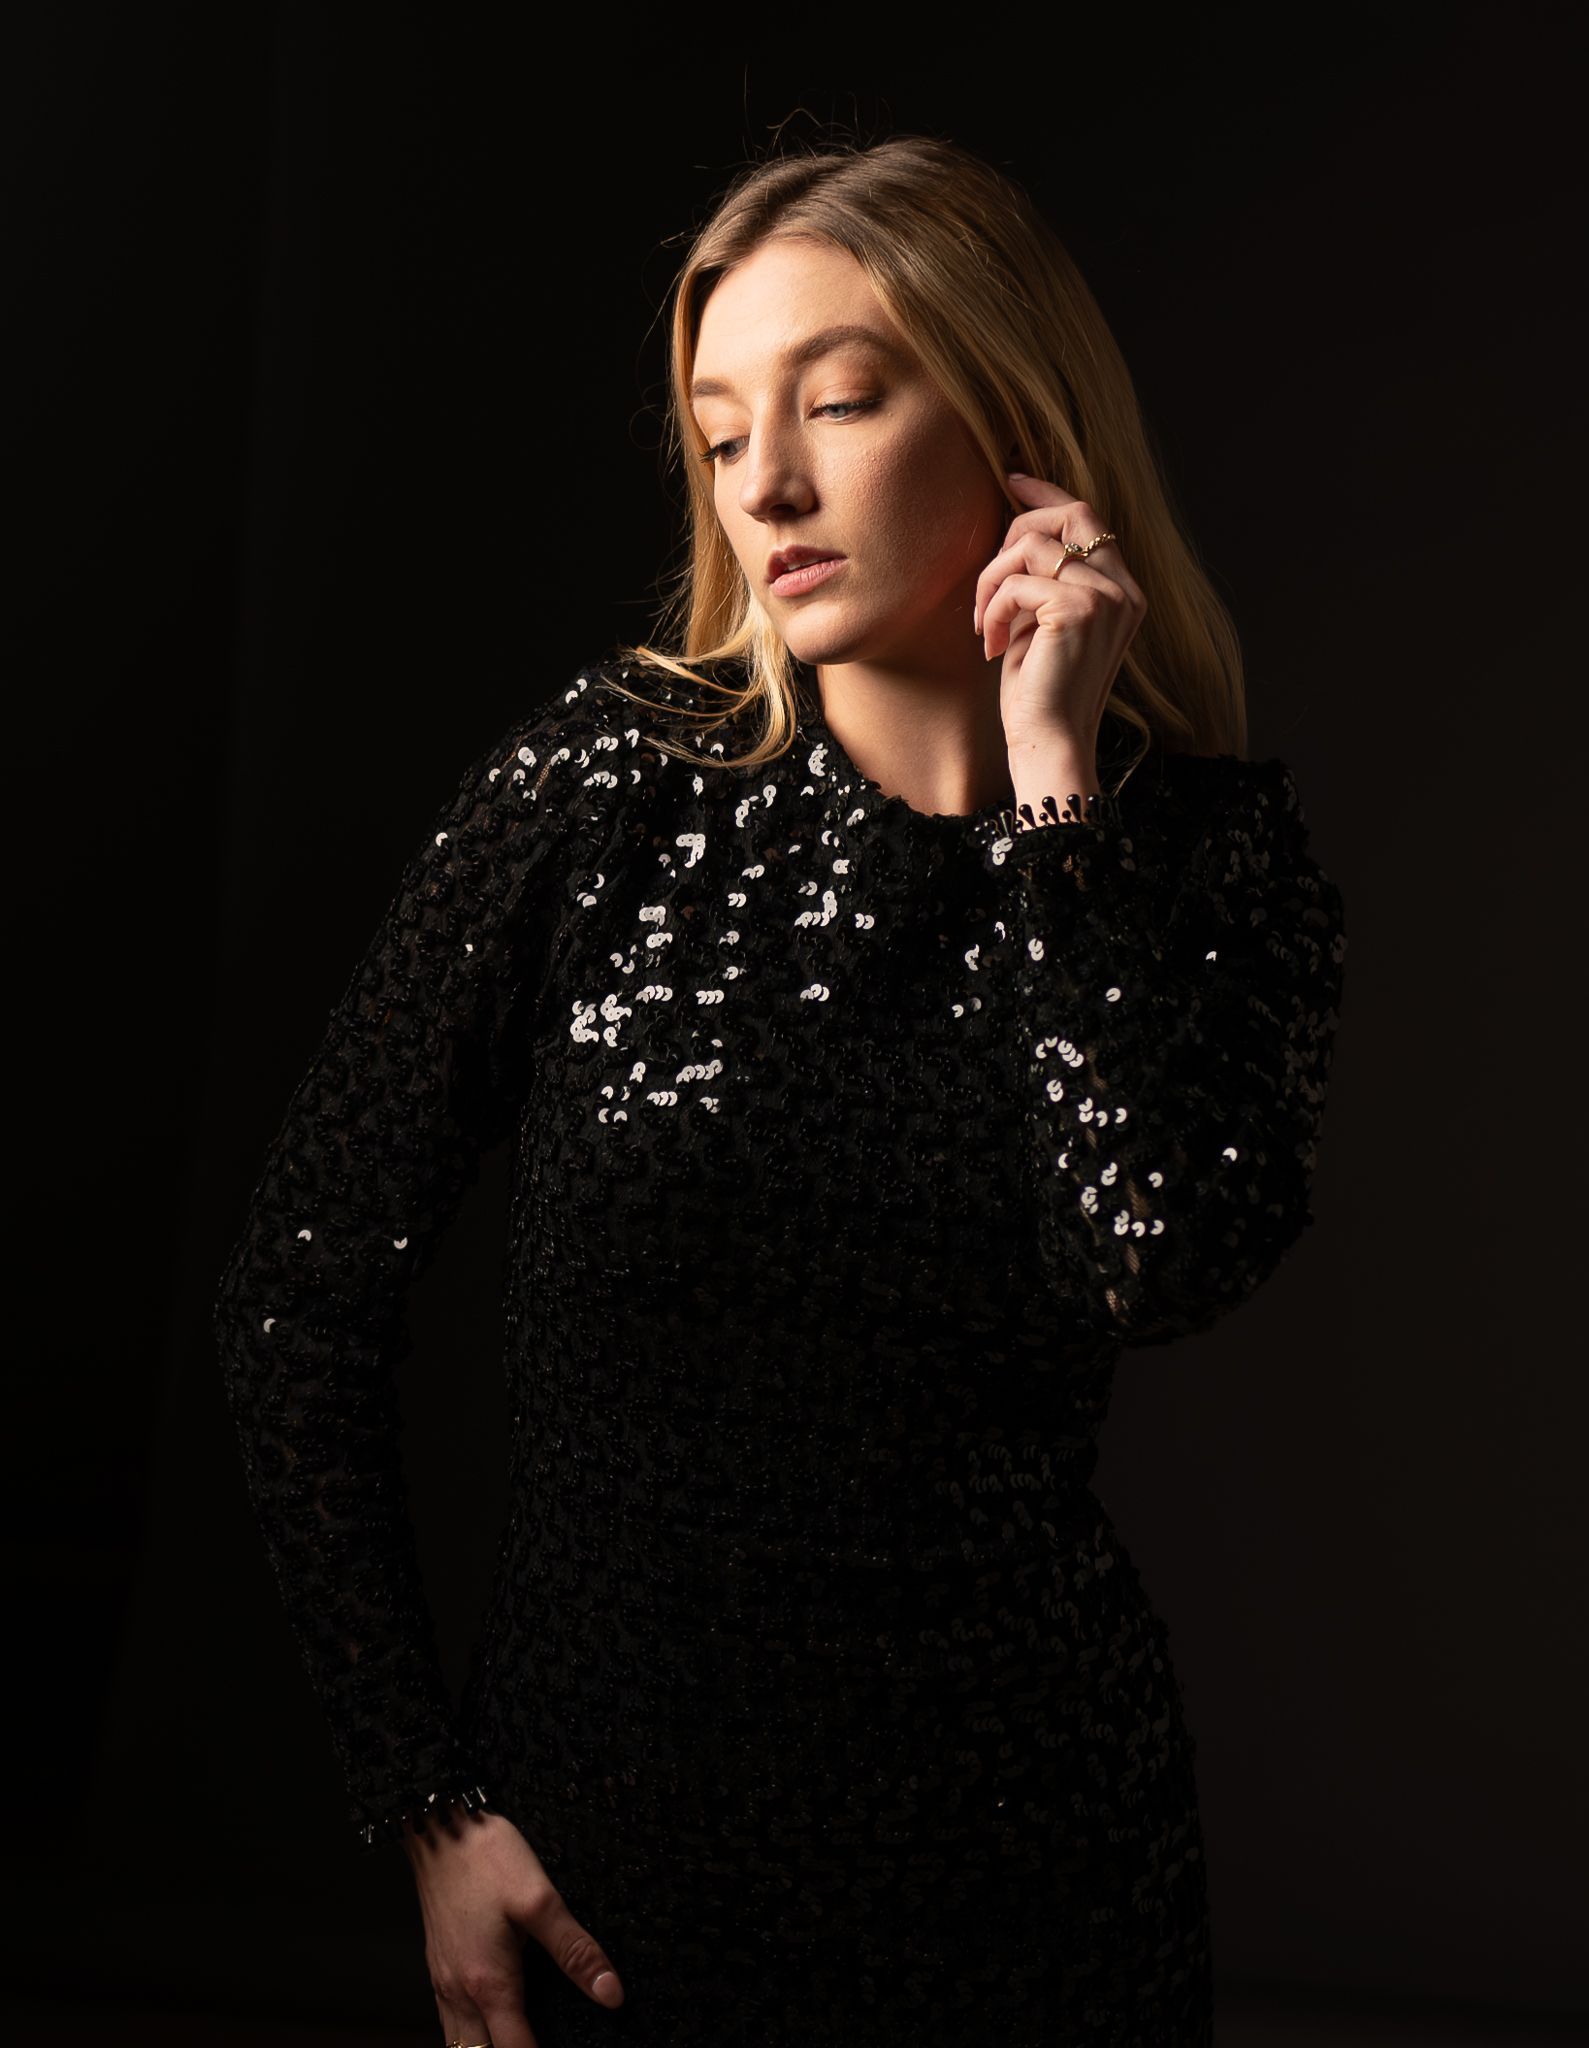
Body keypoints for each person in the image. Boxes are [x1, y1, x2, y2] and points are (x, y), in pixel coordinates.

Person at [213, 131, 1349, 2048]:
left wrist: (1050, 781)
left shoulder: (1201, 863)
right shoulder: (607, 791)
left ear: (1012, 420)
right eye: (722, 428)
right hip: (605, 1880)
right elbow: (294, 1302)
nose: (766, 484)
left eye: (834, 401)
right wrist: (425, 1801)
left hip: (1028, 1874)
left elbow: (1155, 1259)